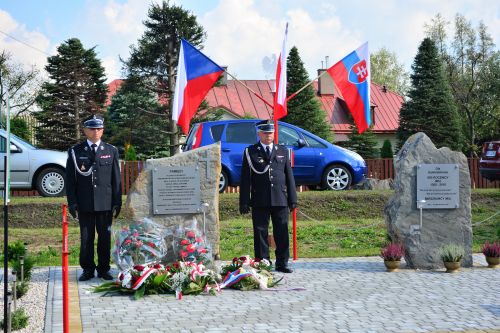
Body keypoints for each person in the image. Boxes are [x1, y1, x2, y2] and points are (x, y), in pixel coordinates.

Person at [66, 115, 122, 281]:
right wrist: (72, 202)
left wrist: (117, 202)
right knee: (86, 239)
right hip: (85, 204)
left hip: (105, 204)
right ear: (85, 131)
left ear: (103, 130)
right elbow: (70, 180)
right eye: (92, 128)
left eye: (99, 128)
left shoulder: (111, 150)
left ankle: (104, 269)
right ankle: (88, 269)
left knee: (104, 239)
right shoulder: (76, 151)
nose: (96, 131)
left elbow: (116, 180)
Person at [239, 120, 297, 273]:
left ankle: (282, 263)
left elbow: (289, 176)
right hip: (260, 198)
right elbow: (245, 178)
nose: (268, 136)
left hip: (280, 198)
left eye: (270, 133)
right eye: (265, 133)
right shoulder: (250, 151)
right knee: (260, 232)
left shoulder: (282, 150)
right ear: (259, 134)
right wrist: (244, 201)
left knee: (282, 232)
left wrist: (293, 199)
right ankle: (263, 262)